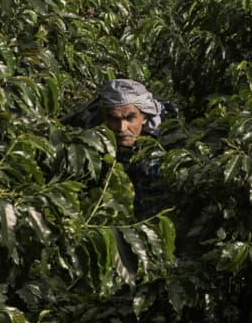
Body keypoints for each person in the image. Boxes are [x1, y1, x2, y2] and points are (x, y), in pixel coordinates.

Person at [67, 78, 177, 218]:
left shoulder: (167, 138)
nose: (121, 128)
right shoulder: (88, 132)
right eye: (114, 119)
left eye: (130, 118)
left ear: (144, 118)